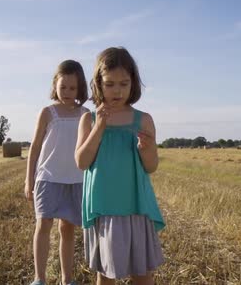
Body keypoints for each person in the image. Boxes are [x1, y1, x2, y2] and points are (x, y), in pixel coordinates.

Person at [75, 47, 165, 285]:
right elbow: (82, 162)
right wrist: (99, 128)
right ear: (98, 84)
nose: (117, 90)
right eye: (110, 84)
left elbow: (151, 166)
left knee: (142, 272)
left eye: (124, 84)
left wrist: (147, 149)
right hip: (105, 207)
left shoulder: (143, 120)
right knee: (106, 272)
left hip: (135, 205)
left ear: (133, 84)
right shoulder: (89, 119)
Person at [25, 60, 89, 285]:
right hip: (48, 178)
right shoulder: (47, 112)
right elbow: (34, 148)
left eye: (73, 88)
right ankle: (39, 278)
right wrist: (28, 180)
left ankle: (66, 279)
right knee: (43, 225)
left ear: (80, 88)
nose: (68, 92)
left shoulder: (86, 114)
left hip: (75, 180)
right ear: (55, 85)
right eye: (63, 87)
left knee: (68, 228)